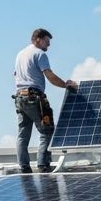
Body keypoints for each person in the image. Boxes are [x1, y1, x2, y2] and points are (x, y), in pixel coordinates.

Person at [13, 28, 78, 173]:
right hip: (34, 97)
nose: (48, 46)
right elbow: (49, 75)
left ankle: (24, 167)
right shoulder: (39, 54)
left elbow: (17, 75)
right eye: (47, 42)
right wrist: (66, 85)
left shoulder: (20, 54)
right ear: (38, 39)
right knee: (46, 130)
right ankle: (43, 165)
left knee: (23, 133)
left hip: (19, 97)